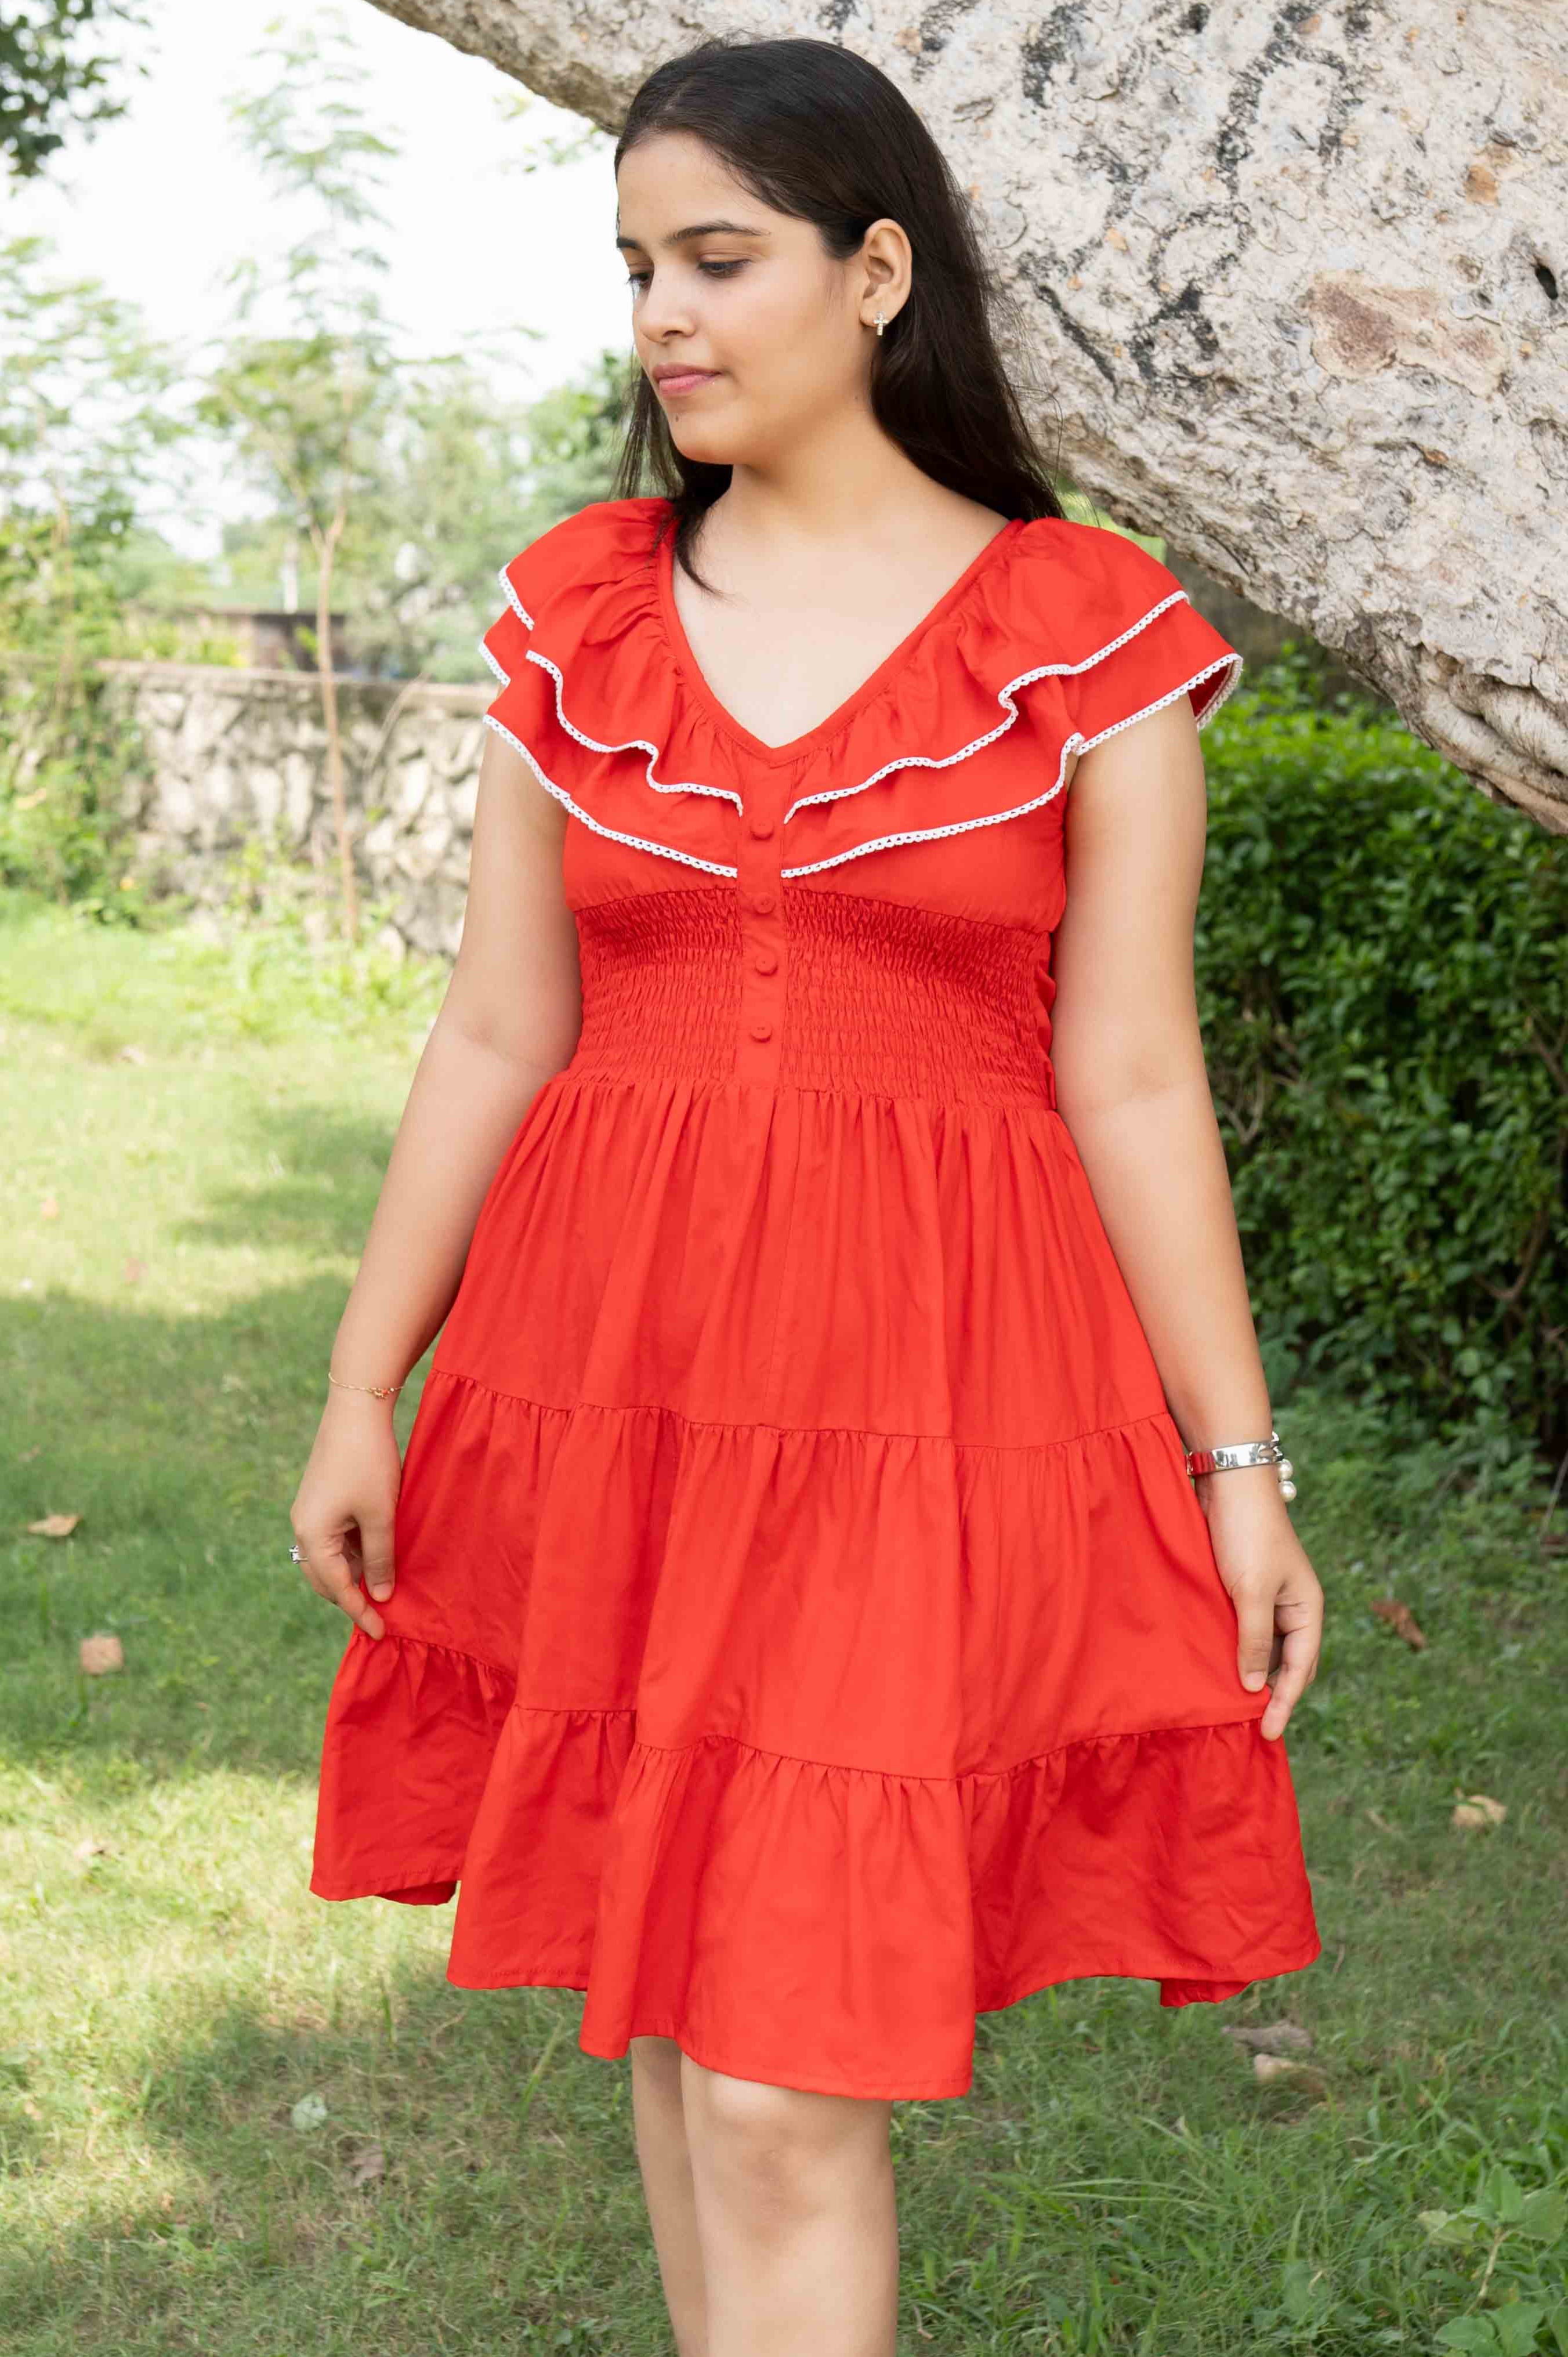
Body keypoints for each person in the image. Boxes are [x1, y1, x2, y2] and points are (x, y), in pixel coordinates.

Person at [292, 32, 1324, 2355]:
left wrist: (1234, 1464)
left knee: (781, 2067)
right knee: (672, 2018)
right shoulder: (582, 611)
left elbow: (1135, 1071)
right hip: (602, 1378)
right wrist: (369, 1381)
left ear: (878, 273)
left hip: (916, 1404)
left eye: (719, 258)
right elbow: (496, 1028)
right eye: (637, 265)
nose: (661, 313)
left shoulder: (1079, 626)